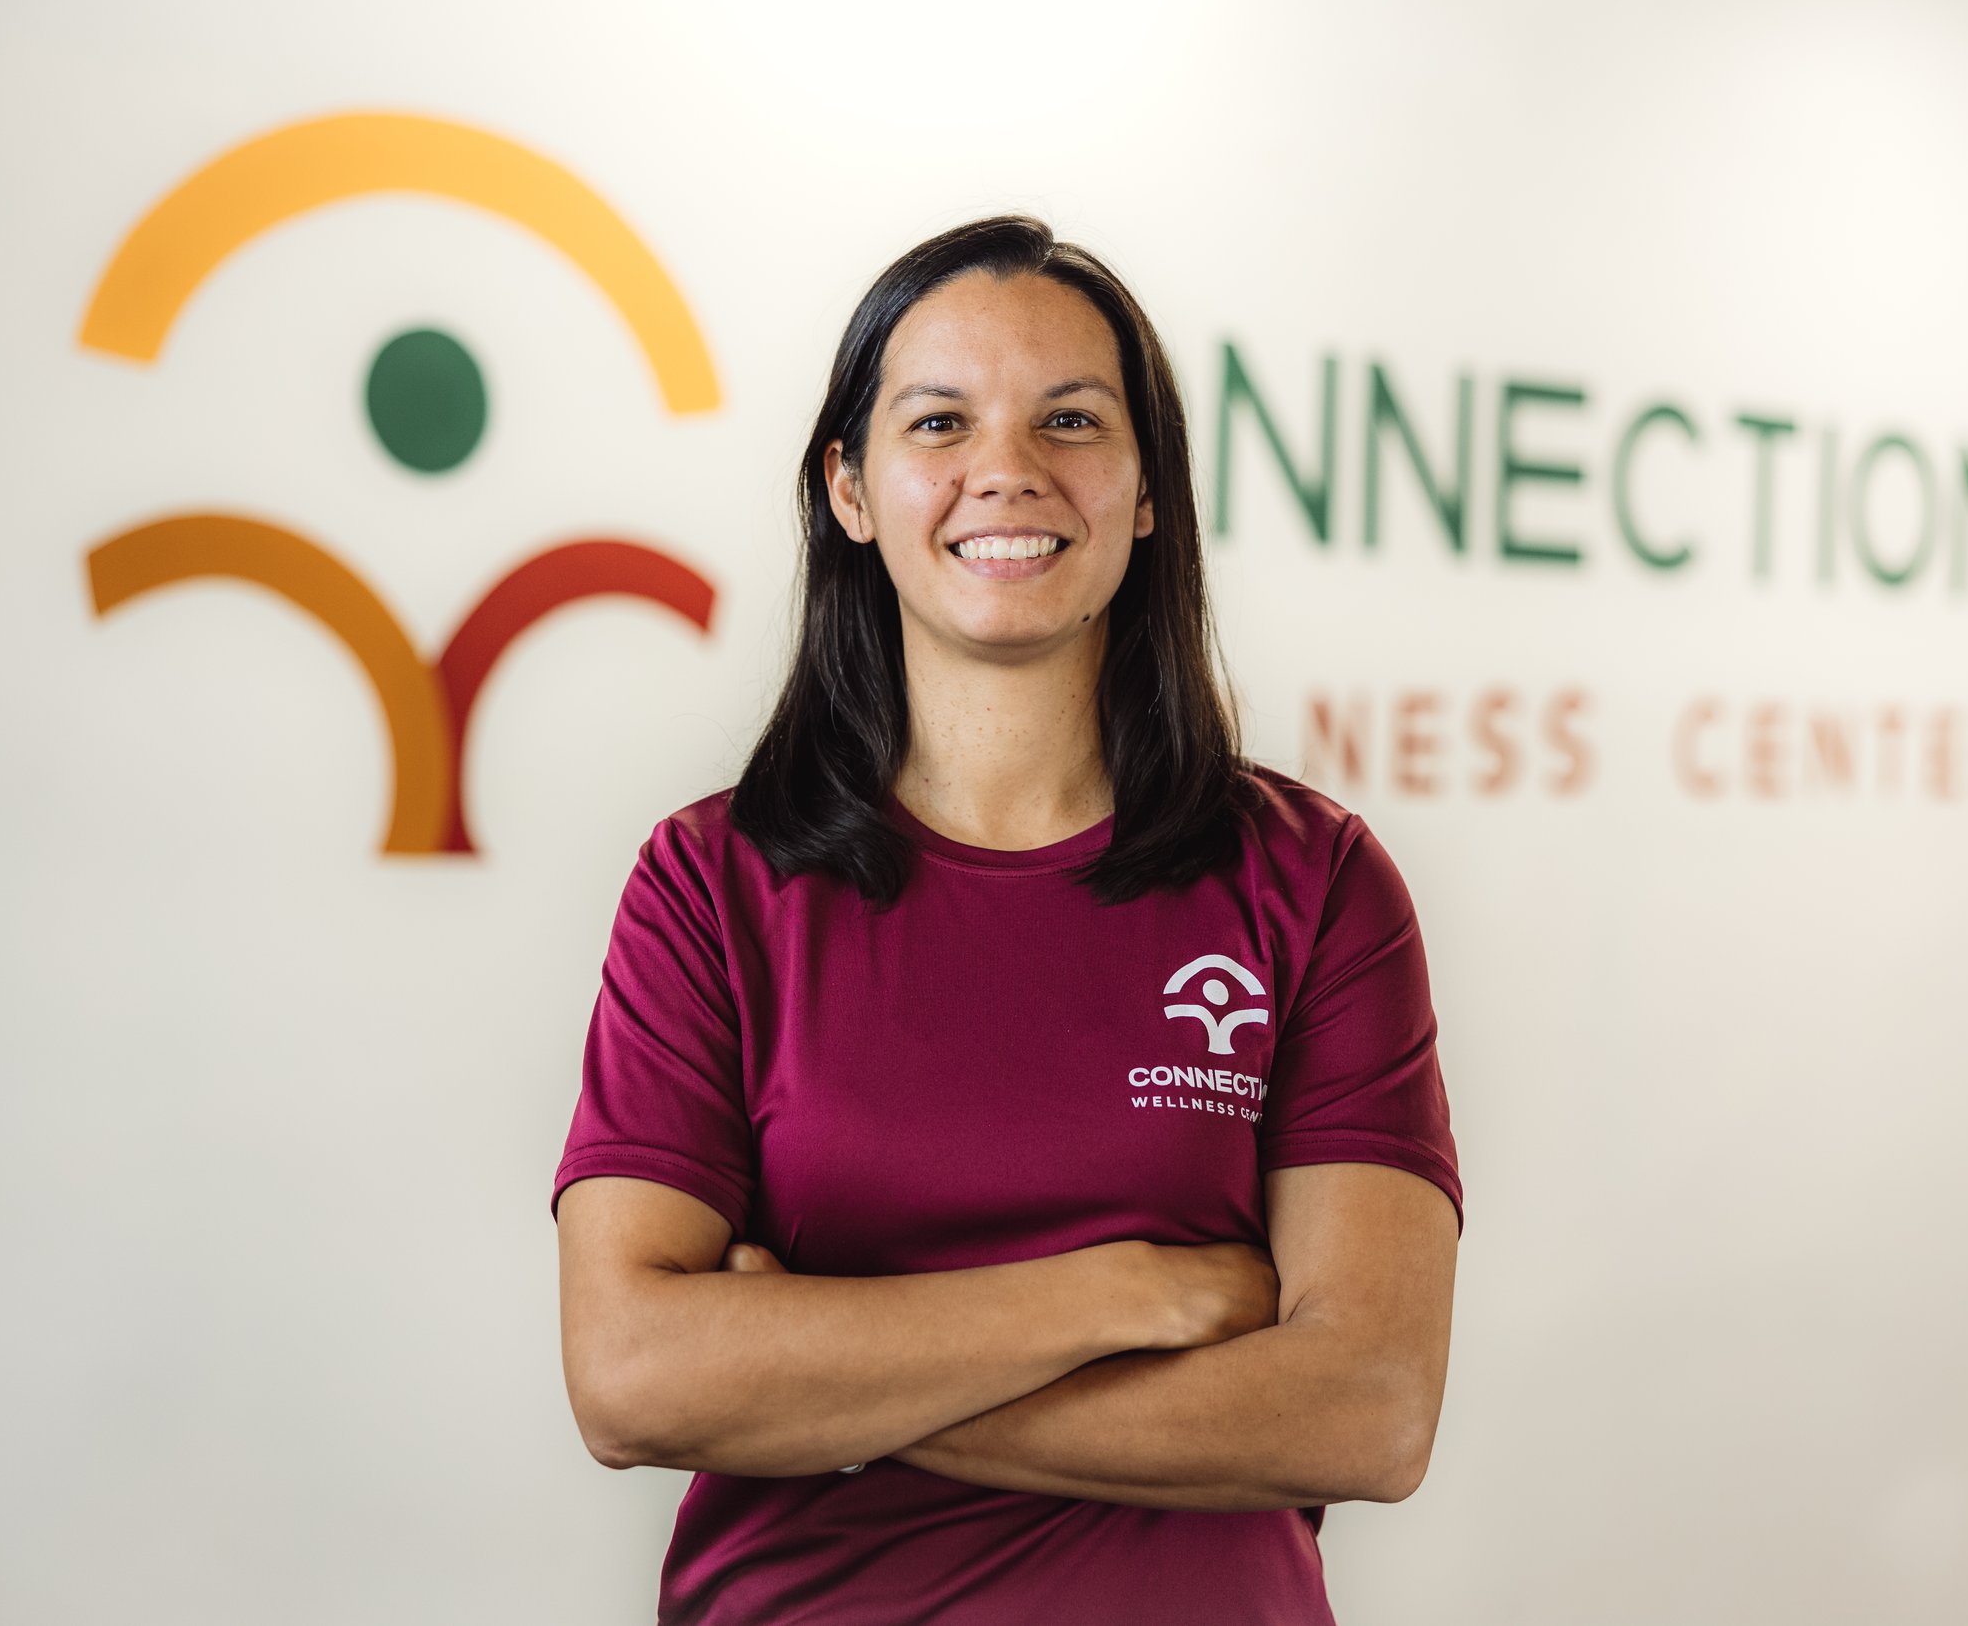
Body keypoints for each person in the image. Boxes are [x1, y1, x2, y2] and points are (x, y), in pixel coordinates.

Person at [549, 214, 1462, 1625]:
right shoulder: (713, 887)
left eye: (1073, 420)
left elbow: (1366, 1410)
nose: (1008, 472)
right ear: (851, 488)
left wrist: (817, 1374)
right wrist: (1119, 1295)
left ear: (1149, 489)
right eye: (939, 421)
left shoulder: (1314, 884)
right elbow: (632, 1377)